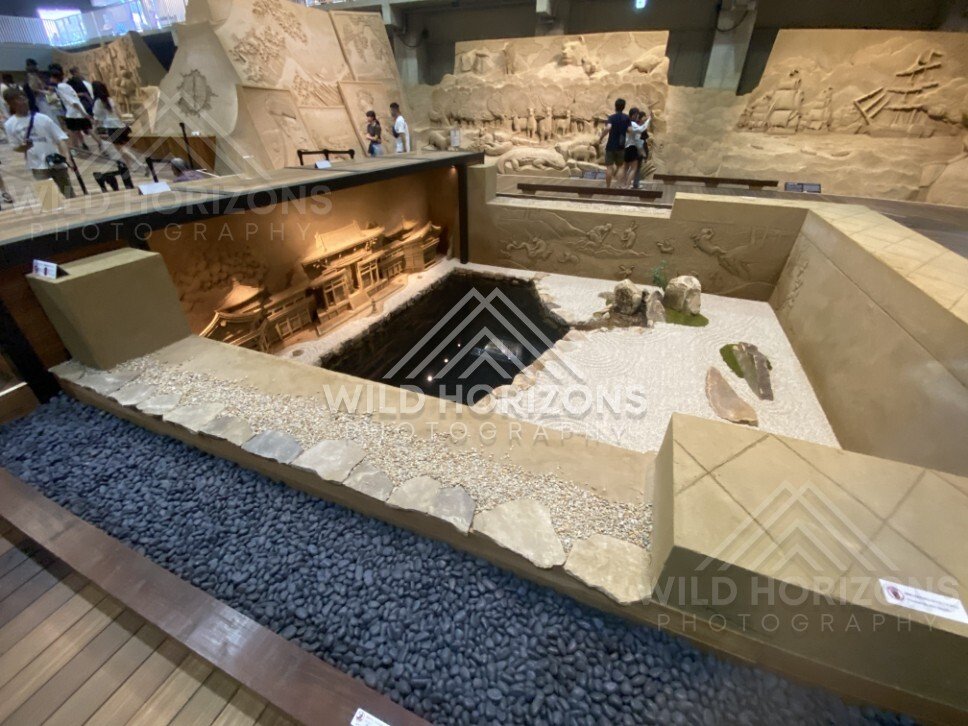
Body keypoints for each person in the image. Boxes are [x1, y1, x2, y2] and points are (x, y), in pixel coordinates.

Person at [3, 87, 76, 199]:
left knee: (70, 195)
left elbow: (60, 139)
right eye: (18, 100)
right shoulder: (9, 124)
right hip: (36, 165)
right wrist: (24, 147)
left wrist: (67, 158)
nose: (23, 102)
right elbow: (15, 147)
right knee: (49, 200)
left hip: (56, 162)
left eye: (24, 98)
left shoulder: (43, 118)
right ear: (11, 104)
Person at [92, 80, 144, 172]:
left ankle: (140, 164)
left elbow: (97, 117)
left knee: (122, 149)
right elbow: (119, 114)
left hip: (111, 127)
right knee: (123, 148)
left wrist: (95, 127)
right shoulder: (111, 100)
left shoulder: (98, 103)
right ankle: (130, 167)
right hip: (120, 125)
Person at [51, 66, 94, 152]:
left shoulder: (61, 87)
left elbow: (72, 101)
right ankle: (82, 145)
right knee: (82, 130)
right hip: (76, 110)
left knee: (73, 131)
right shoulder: (64, 85)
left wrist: (83, 113)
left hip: (73, 112)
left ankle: (76, 148)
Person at [599, 98, 630, 189]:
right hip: (621, 146)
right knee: (620, 166)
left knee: (609, 167)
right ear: (623, 107)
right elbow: (630, 130)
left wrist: (601, 137)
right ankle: (618, 185)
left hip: (611, 145)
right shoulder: (626, 118)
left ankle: (608, 187)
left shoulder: (611, 118)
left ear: (615, 107)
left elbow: (608, 128)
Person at [623, 108, 653, 189]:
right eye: (636, 115)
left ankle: (624, 184)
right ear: (633, 115)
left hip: (626, 147)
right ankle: (627, 185)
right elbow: (641, 130)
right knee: (634, 168)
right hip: (632, 147)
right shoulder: (633, 124)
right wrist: (649, 119)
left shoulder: (627, 123)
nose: (637, 117)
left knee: (626, 168)